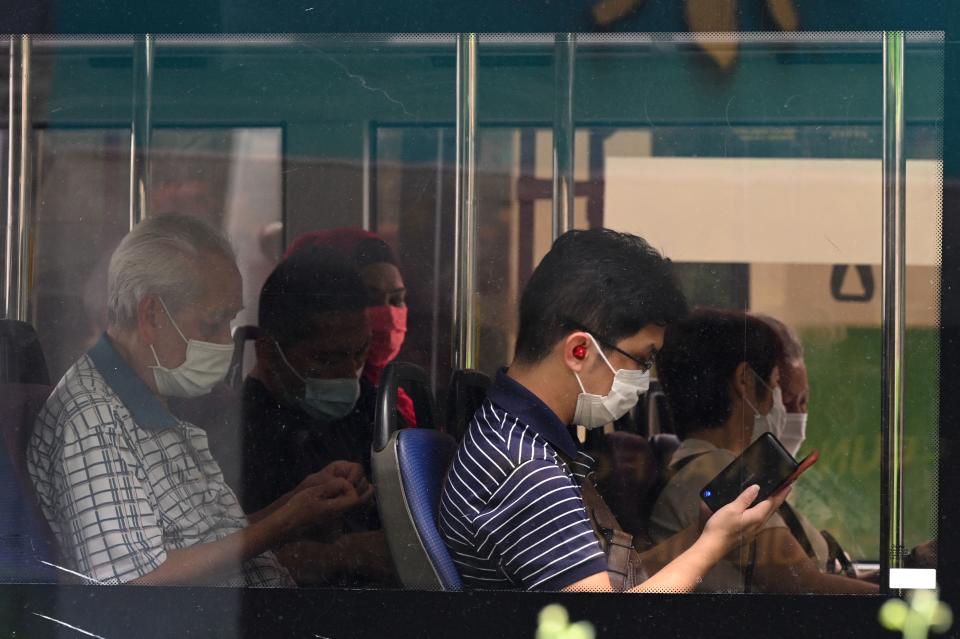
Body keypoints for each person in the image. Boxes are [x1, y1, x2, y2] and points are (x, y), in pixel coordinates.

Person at [27, 214, 371, 586]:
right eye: (212, 324)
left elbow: (204, 540)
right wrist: (282, 523)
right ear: (152, 315)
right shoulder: (94, 419)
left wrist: (298, 503)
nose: (226, 342)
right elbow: (133, 583)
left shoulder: (151, 401)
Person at [438, 229, 790, 592]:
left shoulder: (510, 434)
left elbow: (607, 586)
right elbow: (605, 625)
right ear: (579, 351)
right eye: (642, 358)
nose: (644, 377)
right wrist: (714, 545)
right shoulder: (528, 474)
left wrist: (700, 535)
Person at [650, 309, 878, 593]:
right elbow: (804, 587)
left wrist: (914, 569)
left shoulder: (706, 468)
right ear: (744, 381)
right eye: (773, 387)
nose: (781, 406)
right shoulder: (720, 475)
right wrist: (918, 603)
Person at [240, 246, 395, 586]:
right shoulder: (239, 434)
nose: (348, 372)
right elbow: (224, 560)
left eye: (359, 353)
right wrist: (343, 553)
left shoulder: (368, 407)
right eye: (326, 359)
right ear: (268, 352)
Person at [284, 229, 415, 426]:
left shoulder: (393, 392)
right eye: (370, 298)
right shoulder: (324, 396)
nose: (388, 313)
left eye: (397, 299)